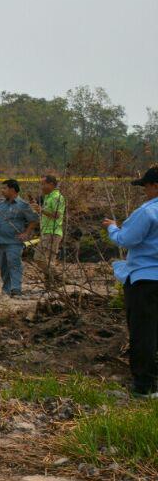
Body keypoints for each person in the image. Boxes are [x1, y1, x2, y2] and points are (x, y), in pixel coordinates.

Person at [103, 167, 158, 397]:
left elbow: (126, 239)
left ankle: (145, 387)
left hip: (145, 281)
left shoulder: (148, 211)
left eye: (146, 186)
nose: (145, 191)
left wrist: (111, 227)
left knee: (143, 332)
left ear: (155, 186)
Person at [32, 174, 67, 281]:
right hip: (47, 231)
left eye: (44, 184)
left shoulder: (57, 197)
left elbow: (57, 215)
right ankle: (52, 285)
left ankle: (61, 278)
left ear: (51, 184)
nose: (42, 187)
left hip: (52, 232)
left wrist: (41, 210)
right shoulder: (48, 197)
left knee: (39, 258)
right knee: (49, 262)